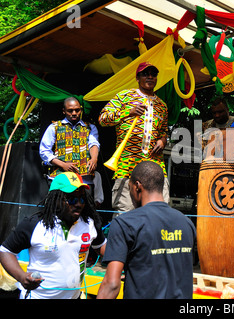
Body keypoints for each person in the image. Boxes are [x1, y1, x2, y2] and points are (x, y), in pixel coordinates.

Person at [97, 161, 196, 299]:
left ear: (137, 186)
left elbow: (112, 284)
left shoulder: (124, 223)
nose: (130, 193)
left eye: (129, 187)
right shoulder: (186, 223)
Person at [0, 172, 107, 299]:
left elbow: (103, 248)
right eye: (71, 199)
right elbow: (5, 251)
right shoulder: (34, 225)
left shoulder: (90, 224)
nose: (78, 204)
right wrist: (21, 276)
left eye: (82, 199)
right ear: (55, 199)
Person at [98, 62, 169, 212]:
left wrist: (163, 140)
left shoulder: (162, 106)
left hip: (154, 166)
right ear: (137, 77)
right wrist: (128, 112)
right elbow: (103, 119)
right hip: (127, 165)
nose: (150, 76)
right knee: (125, 212)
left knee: (159, 212)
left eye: (153, 74)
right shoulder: (124, 96)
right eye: (145, 74)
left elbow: (163, 131)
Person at [39, 97, 100, 190]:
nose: (74, 113)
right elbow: (44, 151)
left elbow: (93, 144)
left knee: (84, 204)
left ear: (81, 110)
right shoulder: (54, 127)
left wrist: (94, 159)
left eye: (77, 110)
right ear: (64, 111)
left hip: (84, 180)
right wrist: (63, 165)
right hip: (60, 178)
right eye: (70, 111)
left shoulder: (90, 127)